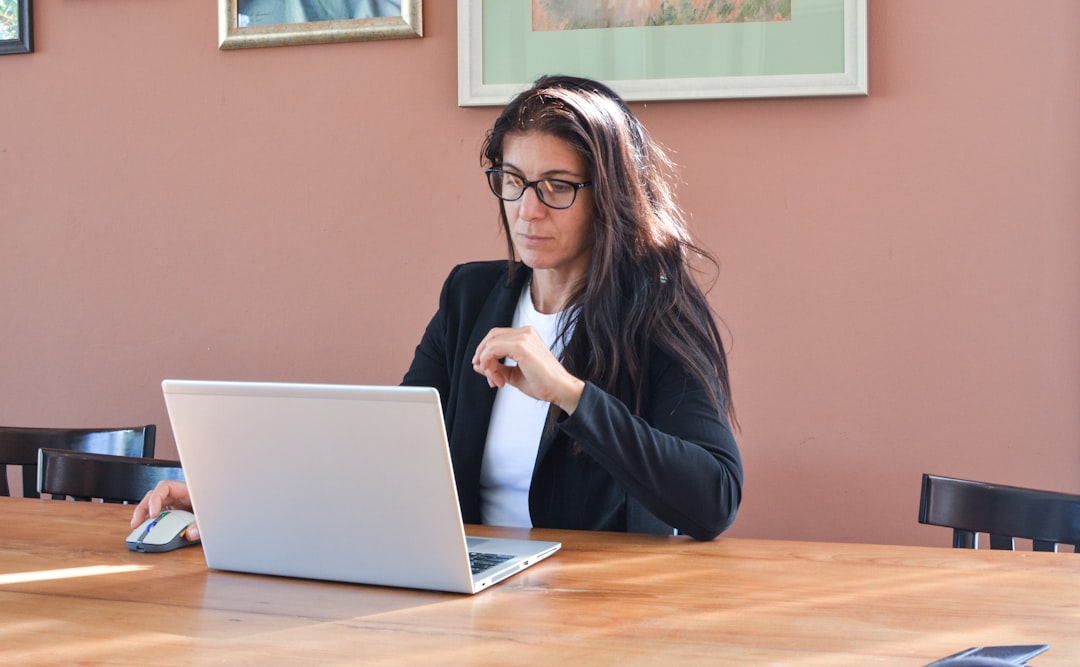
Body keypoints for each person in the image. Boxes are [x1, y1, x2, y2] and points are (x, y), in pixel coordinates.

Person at [132, 75, 743, 542]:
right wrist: (235, 503)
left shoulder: (656, 311)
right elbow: (391, 455)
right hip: (466, 593)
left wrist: (567, 392)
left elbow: (713, 499)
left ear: (608, 196)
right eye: (512, 180)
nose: (527, 209)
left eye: (557, 186)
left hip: (595, 611)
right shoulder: (471, 296)